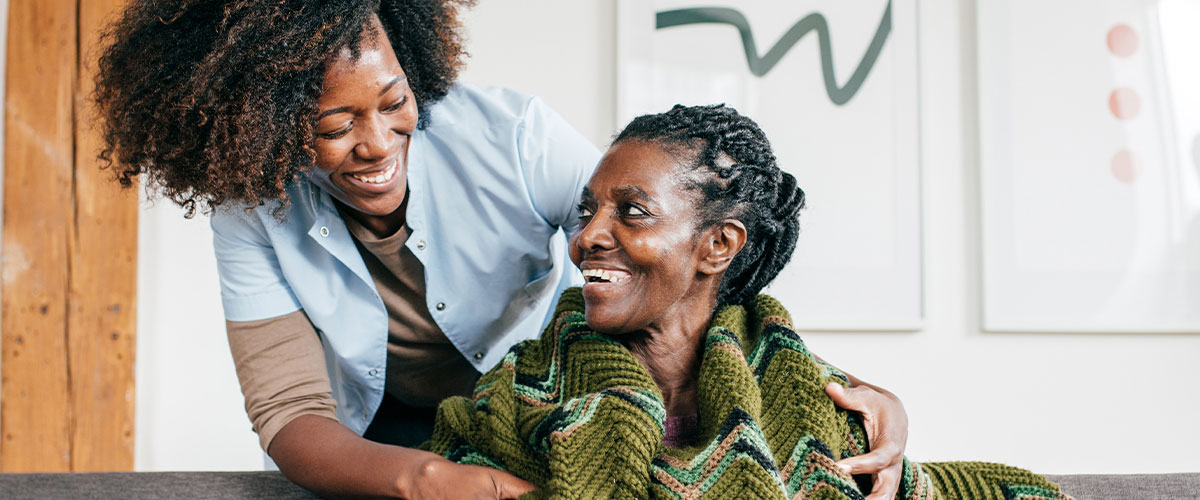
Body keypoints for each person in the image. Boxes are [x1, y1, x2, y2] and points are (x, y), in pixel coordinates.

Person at [94, 1, 910, 498]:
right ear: (262, 131)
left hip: (541, 401)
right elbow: (291, 414)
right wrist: (417, 477)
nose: (378, 143)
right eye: (335, 126)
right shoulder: (253, 210)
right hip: (381, 444)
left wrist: (836, 388)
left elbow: (663, 255)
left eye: (394, 102)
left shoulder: (507, 136)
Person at [427, 104, 1075, 500]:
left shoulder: (824, 408)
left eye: (631, 212)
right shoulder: (517, 398)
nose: (589, 237)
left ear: (718, 245)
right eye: (588, 211)